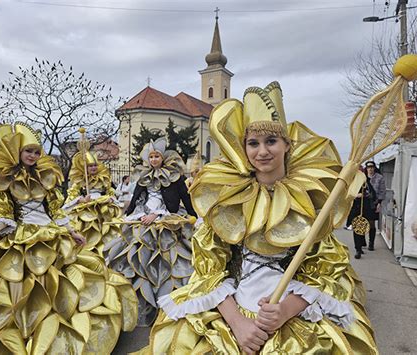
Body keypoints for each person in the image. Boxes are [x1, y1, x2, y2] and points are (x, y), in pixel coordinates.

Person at [138, 82, 377, 354]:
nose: (262, 151)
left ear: (287, 144)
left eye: (271, 141)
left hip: (292, 315)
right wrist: (238, 324)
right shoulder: (227, 198)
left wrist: (285, 310)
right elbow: (209, 271)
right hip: (229, 314)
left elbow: (324, 270)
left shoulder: (311, 200)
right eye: (253, 143)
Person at [0, 123, 137, 353]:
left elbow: (55, 211)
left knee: (67, 280)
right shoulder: (6, 180)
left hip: (51, 234)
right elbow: (6, 215)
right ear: (18, 152)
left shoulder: (46, 177)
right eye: (28, 151)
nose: (33, 156)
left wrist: (72, 231)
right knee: (17, 285)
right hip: (21, 238)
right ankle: (25, 329)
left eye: (37, 151)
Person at [105, 137, 197, 327]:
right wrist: (129, 215)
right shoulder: (144, 176)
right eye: (151, 157)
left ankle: (169, 303)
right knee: (136, 255)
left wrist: (191, 215)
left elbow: (184, 199)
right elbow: (137, 198)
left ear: (163, 158)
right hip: (143, 217)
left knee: (170, 258)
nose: (154, 160)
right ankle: (141, 301)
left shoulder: (175, 176)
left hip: (166, 217)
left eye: (157, 156)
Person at [63, 150, 122, 256]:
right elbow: (72, 197)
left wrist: (110, 199)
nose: (93, 168)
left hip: (104, 209)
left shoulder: (104, 179)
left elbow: (110, 192)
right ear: (85, 168)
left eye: (95, 165)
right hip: (86, 210)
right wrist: (83, 200)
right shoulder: (79, 181)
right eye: (90, 166)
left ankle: (105, 253)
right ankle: (88, 250)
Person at [350, 180, 378, 259]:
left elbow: (373, 195)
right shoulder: (353, 183)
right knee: (357, 229)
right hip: (356, 209)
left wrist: (365, 195)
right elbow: (347, 194)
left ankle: (366, 243)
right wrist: (355, 195)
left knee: (366, 227)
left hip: (367, 209)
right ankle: (358, 249)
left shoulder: (367, 184)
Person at [364, 161, 386, 250]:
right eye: (368, 167)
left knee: (371, 223)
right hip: (363, 202)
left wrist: (379, 203)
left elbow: (382, 191)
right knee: (362, 222)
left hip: (374, 203)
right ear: (366, 168)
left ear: (374, 167)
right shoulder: (362, 177)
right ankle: (361, 241)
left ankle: (371, 243)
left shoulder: (380, 178)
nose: (370, 169)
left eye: (372, 167)